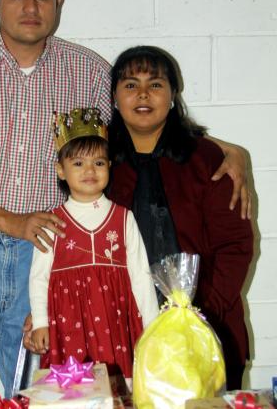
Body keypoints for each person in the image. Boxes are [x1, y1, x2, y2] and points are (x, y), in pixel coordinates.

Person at [0, 0, 248, 404]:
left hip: (50, 260)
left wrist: (227, 149)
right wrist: (12, 223)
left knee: (47, 394)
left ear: (60, 0)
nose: (31, 7)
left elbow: (140, 126)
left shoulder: (87, 72)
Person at [106, 45, 254, 389]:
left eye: (155, 84)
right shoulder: (97, 162)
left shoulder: (207, 159)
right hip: (120, 329)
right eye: (130, 85)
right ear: (114, 96)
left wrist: (199, 319)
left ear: (173, 95)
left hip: (205, 328)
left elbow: (235, 246)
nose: (143, 93)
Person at [29, 108, 158, 383]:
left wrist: (152, 327)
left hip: (116, 323)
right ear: (60, 170)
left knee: (120, 388)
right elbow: (39, 277)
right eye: (78, 164)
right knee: (73, 392)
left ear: (109, 166)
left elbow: (141, 275)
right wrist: (40, 322)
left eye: (98, 163)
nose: (89, 170)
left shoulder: (124, 218)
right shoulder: (52, 221)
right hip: (67, 327)